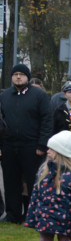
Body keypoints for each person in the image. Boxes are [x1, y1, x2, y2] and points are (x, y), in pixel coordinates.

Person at [1, 63, 53, 224]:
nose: (18, 77)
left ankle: (34, 215)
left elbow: (47, 121)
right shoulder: (4, 96)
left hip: (32, 146)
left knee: (33, 182)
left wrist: (42, 145)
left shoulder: (39, 95)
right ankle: (13, 215)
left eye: (21, 74)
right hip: (8, 146)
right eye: (15, 74)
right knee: (10, 182)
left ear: (27, 77)